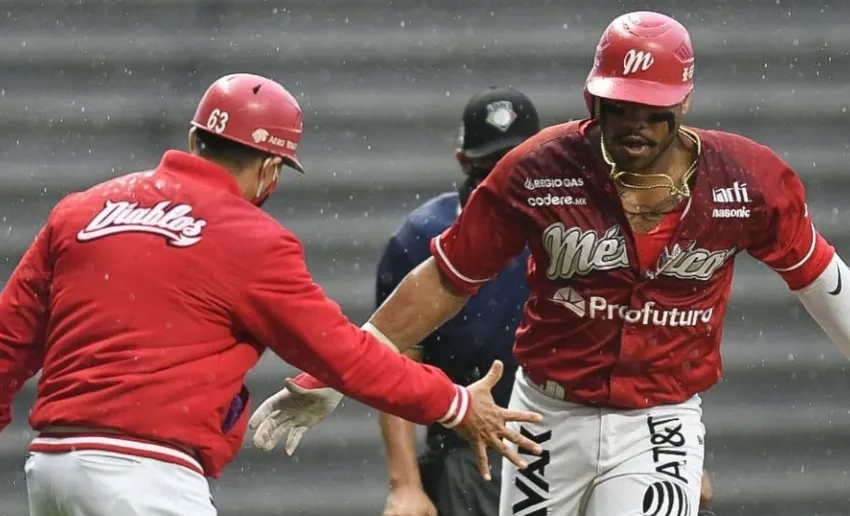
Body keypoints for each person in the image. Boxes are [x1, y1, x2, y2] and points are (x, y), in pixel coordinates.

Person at [250, 10, 850, 516]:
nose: (634, 125)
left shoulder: (750, 179)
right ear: (593, 97)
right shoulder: (537, 168)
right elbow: (445, 279)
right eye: (619, 106)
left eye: (652, 108)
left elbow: (819, 276)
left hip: (659, 418)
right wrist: (334, 373)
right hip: (544, 415)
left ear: (685, 101)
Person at [0, 72, 542, 516]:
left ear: (194, 140)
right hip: (145, 477)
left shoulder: (81, 210)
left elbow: (9, 341)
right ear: (269, 168)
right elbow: (346, 357)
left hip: (51, 468)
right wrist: (452, 403)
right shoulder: (250, 237)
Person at [377, 86, 539, 516]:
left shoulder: (579, 225)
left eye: (517, 166)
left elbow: (634, 335)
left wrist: (666, 451)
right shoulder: (421, 237)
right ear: (464, 163)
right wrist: (405, 484)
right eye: (489, 167)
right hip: (472, 455)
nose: (504, 181)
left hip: (578, 440)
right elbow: (393, 364)